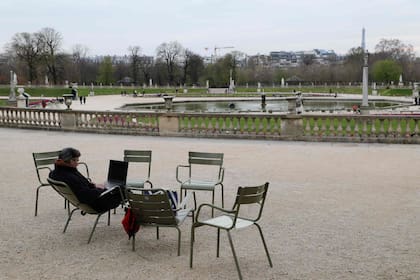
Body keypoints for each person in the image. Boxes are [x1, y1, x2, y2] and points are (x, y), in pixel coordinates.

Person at [49, 147, 123, 213]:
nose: (77, 163)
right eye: (76, 161)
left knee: (118, 189)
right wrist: (103, 190)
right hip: (95, 204)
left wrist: (94, 185)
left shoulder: (55, 173)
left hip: (83, 201)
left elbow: (81, 185)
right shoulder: (69, 176)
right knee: (123, 191)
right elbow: (85, 195)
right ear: (70, 160)